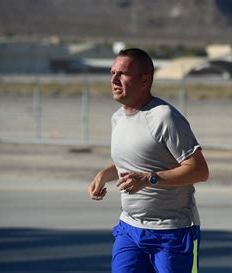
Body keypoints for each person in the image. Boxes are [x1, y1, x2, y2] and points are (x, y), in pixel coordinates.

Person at [88, 48, 209, 273]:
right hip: (129, 229)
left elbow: (199, 170)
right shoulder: (117, 118)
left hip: (173, 233)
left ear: (145, 80)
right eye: (112, 72)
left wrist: (149, 179)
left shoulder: (165, 117)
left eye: (122, 73)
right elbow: (139, 161)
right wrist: (104, 174)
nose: (114, 79)